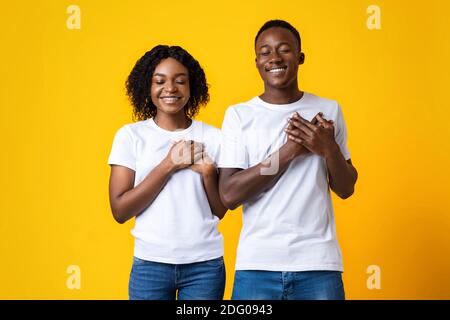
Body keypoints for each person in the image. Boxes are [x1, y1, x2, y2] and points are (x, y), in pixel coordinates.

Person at [218, 20, 358, 300]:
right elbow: (229, 194)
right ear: (257, 61)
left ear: (301, 57)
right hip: (257, 265)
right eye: (266, 52)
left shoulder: (328, 110)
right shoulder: (239, 115)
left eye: (284, 50)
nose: (275, 59)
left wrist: (328, 148)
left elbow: (345, 188)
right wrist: (290, 151)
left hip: (318, 263)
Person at [108, 45, 227, 300]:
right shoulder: (130, 136)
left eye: (180, 81)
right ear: (146, 88)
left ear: (192, 86)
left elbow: (220, 210)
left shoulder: (214, 137)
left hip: (204, 266)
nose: (170, 88)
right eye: (159, 81)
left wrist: (208, 173)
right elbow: (120, 211)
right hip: (150, 264)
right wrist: (168, 165)